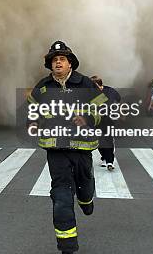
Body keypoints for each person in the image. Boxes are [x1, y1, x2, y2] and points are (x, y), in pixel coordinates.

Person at [27, 41, 107, 254]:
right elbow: (30, 111)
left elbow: (103, 110)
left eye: (62, 59)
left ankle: (86, 199)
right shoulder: (43, 87)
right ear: (50, 64)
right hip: (56, 150)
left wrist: (88, 118)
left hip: (82, 149)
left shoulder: (86, 84)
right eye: (54, 60)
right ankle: (67, 246)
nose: (58, 62)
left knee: (85, 184)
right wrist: (33, 122)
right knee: (61, 195)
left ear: (70, 63)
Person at [90, 76, 121, 171]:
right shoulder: (92, 93)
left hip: (109, 119)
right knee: (99, 140)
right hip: (97, 120)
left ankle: (109, 161)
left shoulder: (110, 91)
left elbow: (118, 99)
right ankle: (104, 157)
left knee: (108, 139)